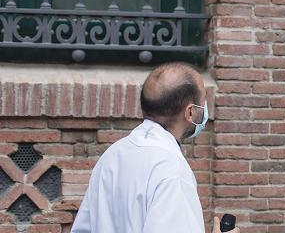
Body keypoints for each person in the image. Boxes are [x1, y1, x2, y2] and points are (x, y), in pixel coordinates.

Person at [71, 62, 239, 233]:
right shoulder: (172, 171)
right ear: (189, 113)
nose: (204, 108)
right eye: (203, 101)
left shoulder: (112, 154)